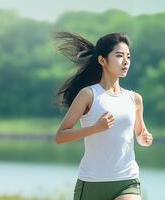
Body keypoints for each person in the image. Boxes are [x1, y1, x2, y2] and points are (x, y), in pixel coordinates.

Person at [52, 31, 153, 200]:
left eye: (128, 56)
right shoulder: (88, 95)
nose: (126, 61)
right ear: (102, 60)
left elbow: (140, 135)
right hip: (92, 182)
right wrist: (95, 128)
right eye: (119, 56)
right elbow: (60, 137)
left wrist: (144, 138)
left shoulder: (134, 99)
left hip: (127, 180)